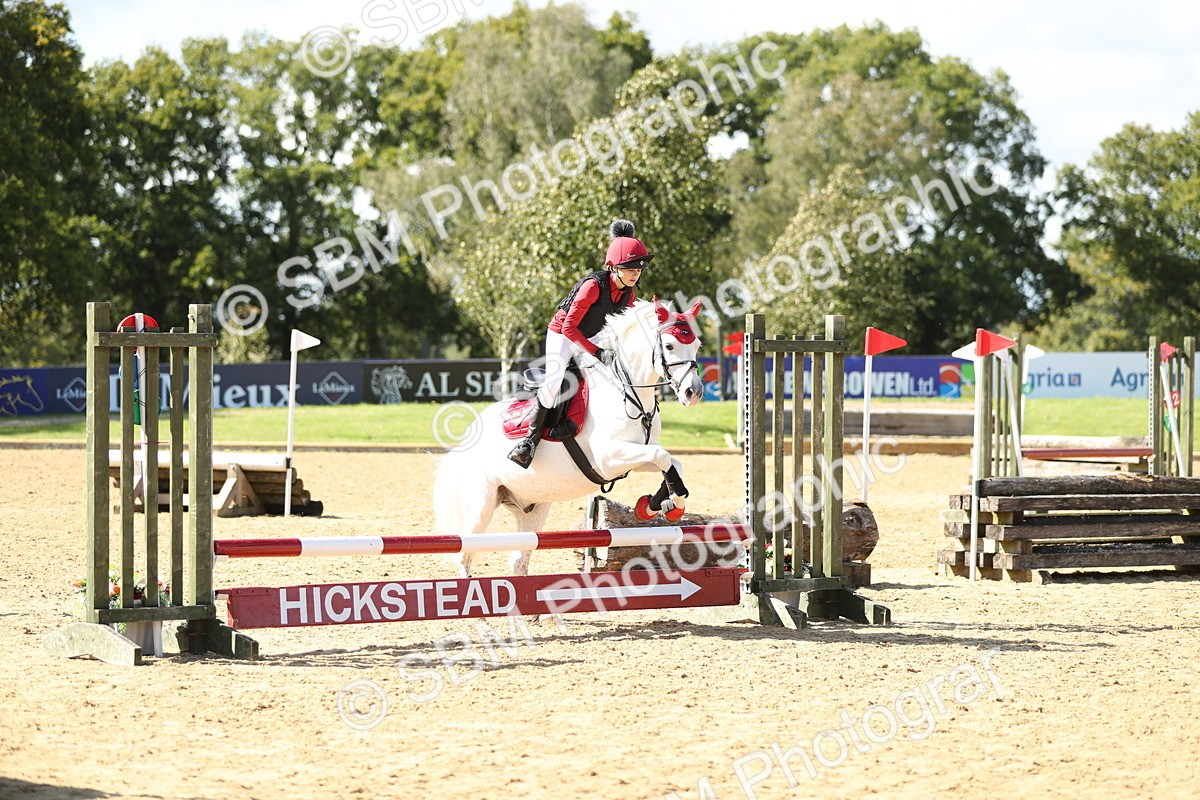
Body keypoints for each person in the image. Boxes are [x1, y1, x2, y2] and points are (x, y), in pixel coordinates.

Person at [508, 219, 653, 468]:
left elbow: (619, 330)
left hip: (592, 334)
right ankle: (529, 442)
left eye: (639, 269)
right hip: (563, 334)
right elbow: (568, 328)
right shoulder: (593, 286)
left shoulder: (629, 294)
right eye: (630, 268)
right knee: (555, 381)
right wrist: (596, 352)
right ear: (613, 267)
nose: (635, 273)